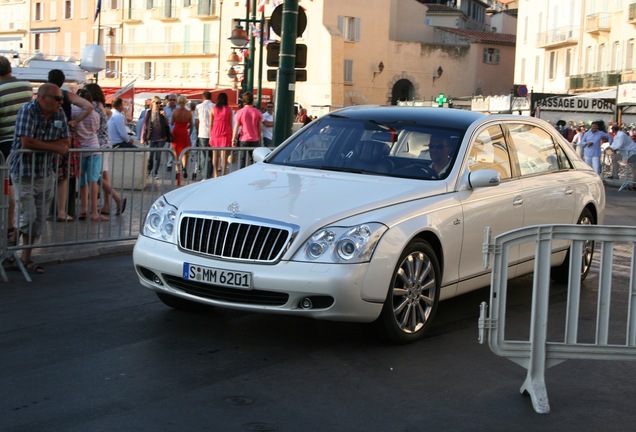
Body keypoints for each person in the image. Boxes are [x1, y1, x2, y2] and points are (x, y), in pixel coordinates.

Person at [9, 83, 70, 274]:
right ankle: (9, 243)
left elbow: (66, 142)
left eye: (62, 99)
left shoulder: (59, 114)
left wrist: (46, 145)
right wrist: (54, 146)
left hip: (46, 172)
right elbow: (26, 141)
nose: (61, 102)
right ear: (43, 98)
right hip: (24, 172)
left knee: (38, 220)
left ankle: (25, 257)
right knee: (28, 216)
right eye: (57, 98)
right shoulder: (28, 111)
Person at [48, 69, 94, 222]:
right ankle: (61, 211)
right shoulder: (66, 95)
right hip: (64, 138)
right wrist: (75, 121)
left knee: (47, 174)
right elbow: (88, 106)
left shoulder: (44, 94)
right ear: (62, 81)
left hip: (46, 138)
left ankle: (46, 210)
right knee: (63, 176)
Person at [0, 56, 32, 253]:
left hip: (4, 145)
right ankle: (13, 230)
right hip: (24, 144)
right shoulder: (27, 86)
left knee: (6, 191)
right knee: (18, 189)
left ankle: (9, 229)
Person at [84, 83, 126, 216]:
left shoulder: (93, 107)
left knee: (95, 175)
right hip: (106, 143)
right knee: (103, 173)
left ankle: (116, 198)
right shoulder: (101, 106)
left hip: (98, 144)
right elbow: (107, 115)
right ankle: (107, 204)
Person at [72, 88, 106, 222]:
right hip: (93, 148)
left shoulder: (73, 113)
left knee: (82, 182)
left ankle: (84, 209)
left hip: (79, 150)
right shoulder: (94, 114)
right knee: (93, 181)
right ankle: (94, 212)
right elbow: (96, 129)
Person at [141, 96, 171, 178]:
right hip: (151, 137)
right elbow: (145, 125)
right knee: (150, 156)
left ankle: (155, 173)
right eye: (156, 103)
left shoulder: (162, 112)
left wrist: (165, 116)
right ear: (152, 103)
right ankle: (148, 170)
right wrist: (143, 137)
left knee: (158, 156)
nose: (158, 105)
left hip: (161, 137)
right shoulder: (149, 112)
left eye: (159, 103)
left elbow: (167, 124)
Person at [232, 91, 262, 167]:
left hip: (244, 138)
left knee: (242, 159)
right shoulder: (257, 112)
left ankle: (242, 175)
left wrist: (233, 139)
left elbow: (236, 127)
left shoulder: (240, 112)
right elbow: (259, 127)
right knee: (253, 159)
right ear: (252, 100)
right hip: (254, 138)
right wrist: (259, 138)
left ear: (244, 101)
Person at [209, 92, 233, 178]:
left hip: (215, 133)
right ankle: (223, 173)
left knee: (215, 155)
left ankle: (215, 173)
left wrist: (210, 135)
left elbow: (211, 124)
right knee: (224, 155)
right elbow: (230, 124)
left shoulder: (213, 109)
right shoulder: (229, 110)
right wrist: (232, 136)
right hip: (226, 132)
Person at [170, 94, 192, 180]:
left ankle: (177, 171)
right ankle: (184, 167)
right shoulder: (188, 113)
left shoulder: (175, 112)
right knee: (185, 152)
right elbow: (192, 125)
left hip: (176, 132)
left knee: (176, 152)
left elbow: (172, 123)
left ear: (178, 102)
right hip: (184, 132)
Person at [195, 91, 213, 178]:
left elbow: (196, 121)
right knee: (211, 155)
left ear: (203, 98)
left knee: (203, 155)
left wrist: (197, 130)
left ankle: (205, 175)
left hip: (202, 133)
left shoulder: (198, 107)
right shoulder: (214, 106)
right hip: (212, 133)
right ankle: (209, 173)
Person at [163, 93, 178, 172]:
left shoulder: (178, 109)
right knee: (167, 148)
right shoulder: (165, 109)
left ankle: (170, 163)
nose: (172, 101)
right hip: (167, 131)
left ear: (176, 101)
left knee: (172, 148)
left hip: (175, 131)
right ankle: (168, 162)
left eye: (174, 100)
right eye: (171, 100)